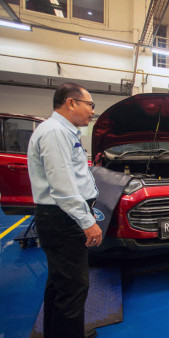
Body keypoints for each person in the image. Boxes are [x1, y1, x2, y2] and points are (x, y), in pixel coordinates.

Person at [28, 82, 102, 338]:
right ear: (71, 103)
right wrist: (86, 220)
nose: (92, 111)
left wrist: (87, 209)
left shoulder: (64, 132)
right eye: (90, 105)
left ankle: (57, 332)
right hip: (62, 218)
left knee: (60, 282)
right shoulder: (55, 132)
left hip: (63, 215)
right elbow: (63, 186)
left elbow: (74, 179)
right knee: (73, 285)